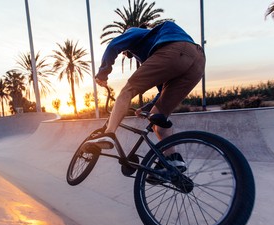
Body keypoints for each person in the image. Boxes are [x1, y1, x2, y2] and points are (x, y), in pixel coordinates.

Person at [84, 20, 205, 167]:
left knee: (127, 91)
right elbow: (163, 90)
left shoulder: (133, 32)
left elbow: (113, 45)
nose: (124, 52)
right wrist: (148, 107)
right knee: (158, 117)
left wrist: (103, 74)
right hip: (198, 62)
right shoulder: (153, 52)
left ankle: (108, 134)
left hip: (176, 49)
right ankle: (172, 160)